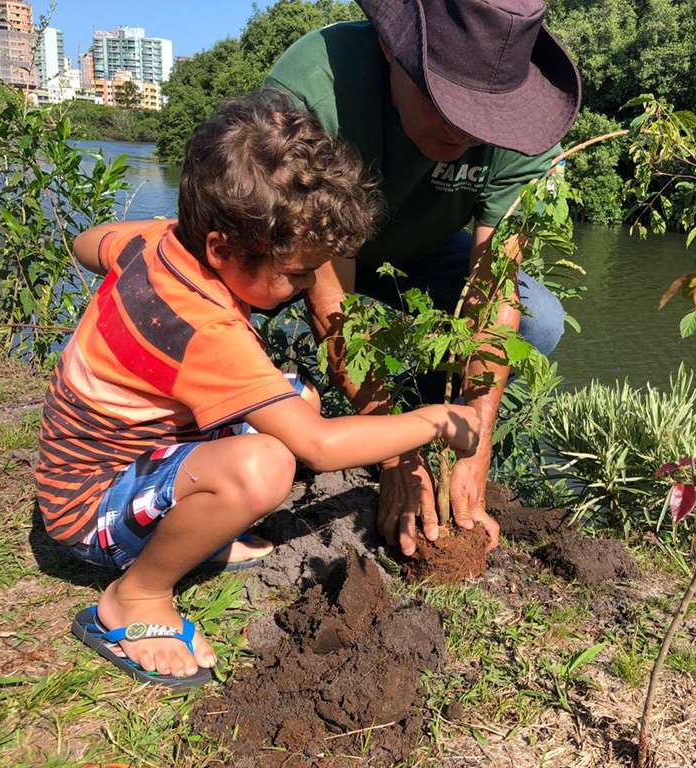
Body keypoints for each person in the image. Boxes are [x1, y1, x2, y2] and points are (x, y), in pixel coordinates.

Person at [35, 92, 481, 689]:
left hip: (122, 456)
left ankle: (196, 533)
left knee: (295, 397)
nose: (303, 288)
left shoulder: (156, 242)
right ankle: (135, 596)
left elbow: (88, 241)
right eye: (297, 273)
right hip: (88, 511)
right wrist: (435, 420)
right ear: (220, 247)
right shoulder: (202, 328)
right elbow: (318, 448)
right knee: (265, 465)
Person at [265, 0, 582, 558]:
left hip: (423, 252)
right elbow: (329, 299)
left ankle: (438, 445)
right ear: (393, 50)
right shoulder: (316, 93)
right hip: (314, 252)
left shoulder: (518, 130)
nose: (465, 132)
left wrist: (473, 441)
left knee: (538, 320)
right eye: (448, 104)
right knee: (227, 293)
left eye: (483, 115)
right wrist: (394, 454)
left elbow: (494, 290)